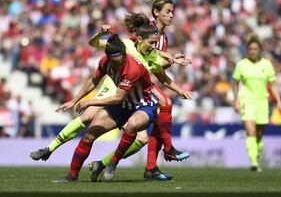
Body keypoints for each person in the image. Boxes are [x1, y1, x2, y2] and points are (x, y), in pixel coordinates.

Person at [88, 12, 192, 181]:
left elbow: (161, 72)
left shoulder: (154, 50)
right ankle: (166, 150)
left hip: (137, 98)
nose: (172, 15)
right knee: (85, 121)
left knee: (142, 138)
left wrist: (174, 65)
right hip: (117, 93)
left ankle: (104, 164)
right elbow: (94, 44)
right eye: (168, 11)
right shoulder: (125, 44)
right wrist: (100, 33)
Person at [53, 34, 159, 183]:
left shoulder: (132, 68)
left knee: (133, 125)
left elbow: (117, 97)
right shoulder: (104, 62)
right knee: (89, 135)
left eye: (119, 62)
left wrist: (90, 102)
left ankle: (112, 164)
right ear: (108, 58)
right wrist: (74, 100)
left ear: (124, 54)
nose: (117, 66)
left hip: (144, 104)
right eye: (113, 63)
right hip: (123, 106)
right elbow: (94, 80)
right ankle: (71, 176)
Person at [232, 34, 281, 172]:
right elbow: (235, 84)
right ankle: (253, 161)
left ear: (259, 50)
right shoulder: (241, 65)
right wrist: (236, 100)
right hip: (246, 100)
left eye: (255, 49)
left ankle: (256, 156)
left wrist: (279, 101)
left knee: (260, 134)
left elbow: (273, 85)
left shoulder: (267, 65)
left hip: (262, 101)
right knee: (251, 131)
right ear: (247, 50)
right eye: (250, 49)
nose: (253, 51)